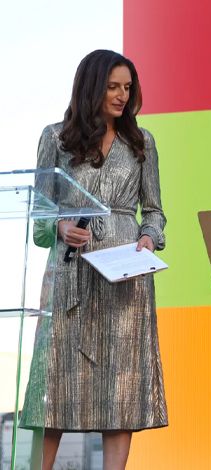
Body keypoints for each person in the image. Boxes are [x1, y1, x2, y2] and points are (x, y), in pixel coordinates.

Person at [21, 49, 167, 470]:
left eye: (128, 87)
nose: (122, 96)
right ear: (91, 88)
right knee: (54, 384)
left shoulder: (142, 142)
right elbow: (40, 215)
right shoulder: (55, 138)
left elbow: (154, 211)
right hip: (71, 272)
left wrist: (149, 237)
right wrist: (61, 227)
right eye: (112, 87)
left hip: (125, 278)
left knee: (120, 390)